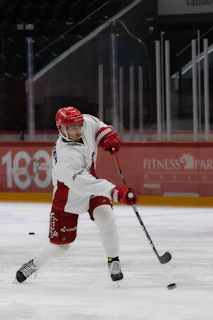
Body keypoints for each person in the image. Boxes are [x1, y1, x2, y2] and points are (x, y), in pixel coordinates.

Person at [15, 106, 138, 284]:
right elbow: (85, 185)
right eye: (72, 128)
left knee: (107, 218)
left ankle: (113, 261)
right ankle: (33, 264)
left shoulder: (84, 124)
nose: (78, 131)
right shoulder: (65, 156)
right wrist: (116, 193)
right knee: (60, 247)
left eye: (79, 126)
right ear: (61, 129)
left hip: (92, 186)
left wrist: (106, 134)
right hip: (68, 197)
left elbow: (96, 124)